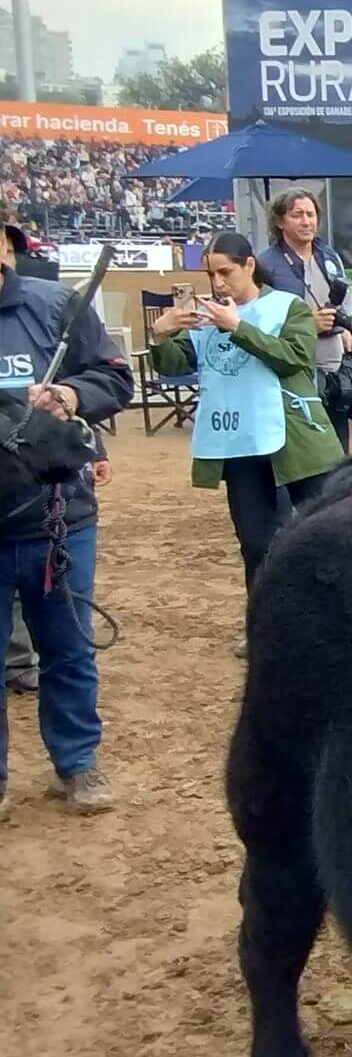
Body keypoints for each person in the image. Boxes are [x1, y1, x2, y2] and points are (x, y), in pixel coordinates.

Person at [148, 233, 343, 657]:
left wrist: (238, 327)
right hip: (238, 441)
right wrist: (160, 335)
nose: (218, 283)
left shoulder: (286, 307)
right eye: (211, 274)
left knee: (325, 535)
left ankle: (336, 623)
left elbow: (293, 358)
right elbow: (176, 363)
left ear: (249, 266)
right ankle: (265, 628)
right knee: (256, 542)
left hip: (296, 440)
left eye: (226, 272)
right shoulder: (205, 316)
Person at [0, 229, 133, 818]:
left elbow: (114, 378)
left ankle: (77, 763)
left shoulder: (56, 307)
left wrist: (73, 396)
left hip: (59, 518)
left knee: (69, 650)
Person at [253, 187, 352, 452]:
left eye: (311, 214)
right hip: (293, 373)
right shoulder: (265, 264)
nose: (306, 221)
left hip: (334, 367)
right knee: (303, 449)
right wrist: (306, 326)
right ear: (280, 221)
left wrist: (345, 331)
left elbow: (344, 300)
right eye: (297, 215)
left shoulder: (329, 257)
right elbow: (259, 322)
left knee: (338, 449)